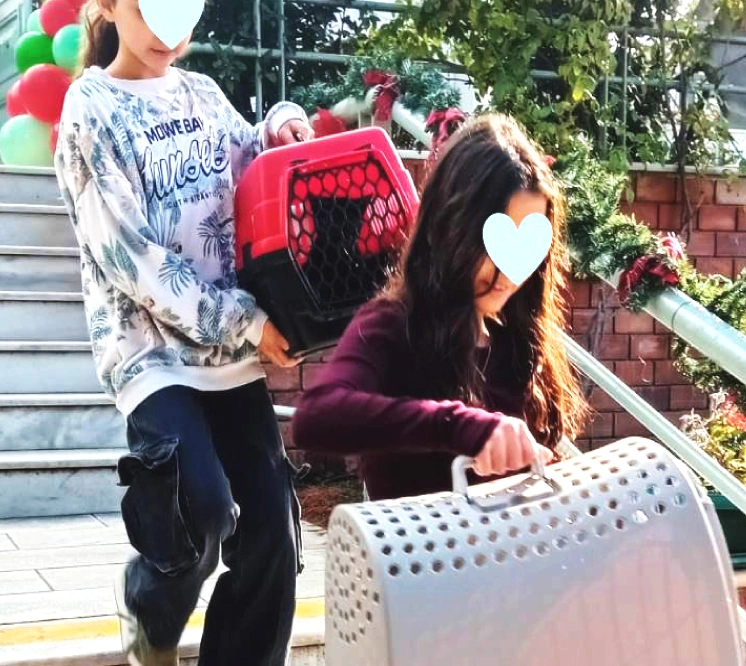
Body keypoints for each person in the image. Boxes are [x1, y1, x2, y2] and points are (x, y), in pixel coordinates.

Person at [53, 1, 314, 664]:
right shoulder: (90, 109)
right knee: (201, 512)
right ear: (109, 6)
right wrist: (244, 322)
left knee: (274, 534)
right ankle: (148, 606)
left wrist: (282, 124)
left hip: (229, 357)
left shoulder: (201, 93)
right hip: (151, 356)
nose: (170, 27)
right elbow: (133, 260)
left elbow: (252, 161)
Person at [292, 114, 589, 501]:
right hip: (415, 539)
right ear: (451, 227)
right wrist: (459, 427)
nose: (509, 272)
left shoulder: (520, 335)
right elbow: (316, 416)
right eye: (495, 243)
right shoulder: (393, 324)